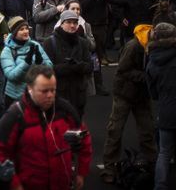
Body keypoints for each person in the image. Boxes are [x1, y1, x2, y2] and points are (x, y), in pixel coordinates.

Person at [0, 65, 93, 190]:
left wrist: (81, 172)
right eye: (44, 91)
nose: (50, 95)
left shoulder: (65, 110)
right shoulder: (15, 115)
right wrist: (14, 183)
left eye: (53, 90)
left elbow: (84, 139)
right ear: (29, 88)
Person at [100, 24, 157, 183]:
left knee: (147, 130)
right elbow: (122, 70)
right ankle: (109, 168)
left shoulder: (154, 45)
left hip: (142, 95)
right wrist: (146, 76)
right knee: (115, 131)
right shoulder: (133, 46)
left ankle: (153, 163)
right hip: (124, 94)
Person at [145, 22, 176, 190]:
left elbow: (153, 94)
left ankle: (160, 186)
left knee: (164, 153)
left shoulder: (151, 61)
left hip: (165, 111)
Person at [43, 11, 92, 116]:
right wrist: (68, 67)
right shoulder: (49, 42)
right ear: (61, 23)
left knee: (76, 128)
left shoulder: (83, 42)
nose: (72, 25)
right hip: (58, 94)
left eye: (75, 23)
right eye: (69, 22)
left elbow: (90, 66)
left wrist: (79, 66)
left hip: (78, 94)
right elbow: (46, 70)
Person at [1, 17, 52, 107]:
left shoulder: (35, 45)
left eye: (26, 28)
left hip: (34, 95)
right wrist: (26, 63)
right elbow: (11, 75)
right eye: (21, 29)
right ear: (14, 32)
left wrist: (40, 63)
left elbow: (50, 68)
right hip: (15, 97)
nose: (26, 31)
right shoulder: (8, 50)